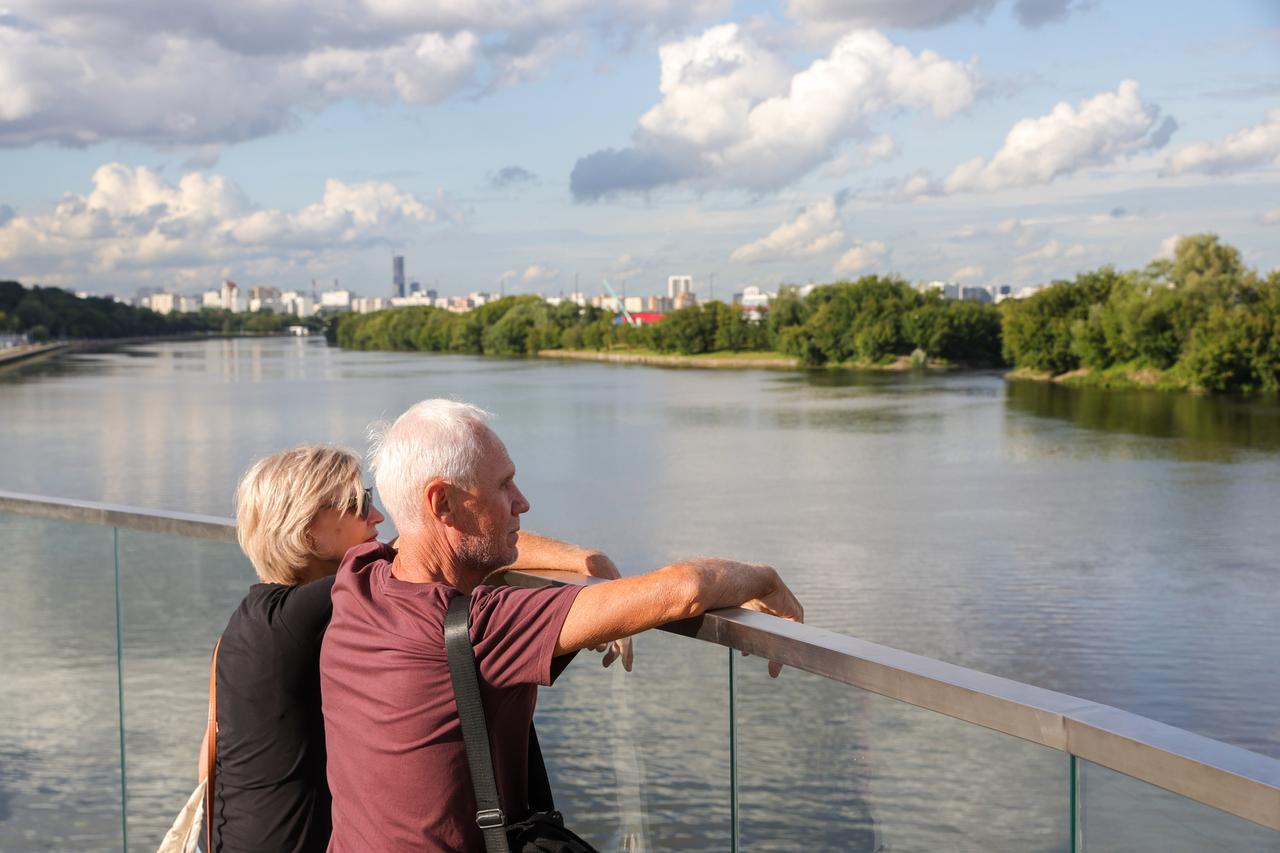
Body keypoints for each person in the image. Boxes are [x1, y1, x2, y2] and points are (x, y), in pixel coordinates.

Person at [320, 400, 803, 852]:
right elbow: (684, 591)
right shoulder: (481, 627)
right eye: (504, 486)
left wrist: (581, 560)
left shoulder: (359, 575)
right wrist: (766, 578)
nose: (522, 502)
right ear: (442, 504)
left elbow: (426, 540)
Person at [200, 444, 627, 853]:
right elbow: (436, 541)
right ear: (309, 535)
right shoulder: (311, 613)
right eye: (356, 503)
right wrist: (584, 567)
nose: (377, 514)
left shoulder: (251, 621)